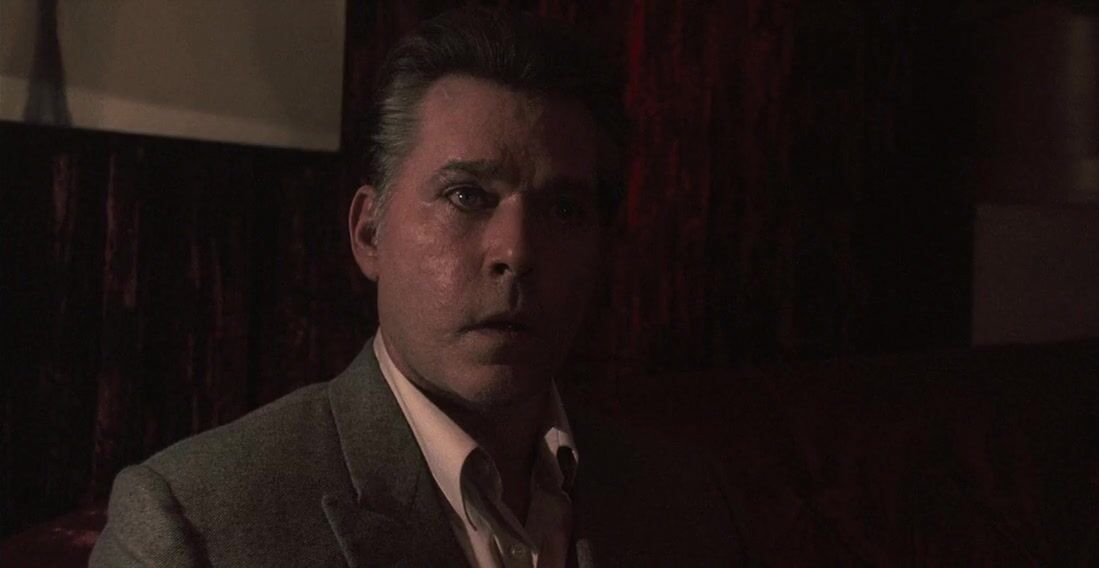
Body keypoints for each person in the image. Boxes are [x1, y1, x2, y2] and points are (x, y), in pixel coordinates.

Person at [90, 7, 743, 567]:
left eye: (563, 209)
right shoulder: (196, 524)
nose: (516, 252)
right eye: (466, 195)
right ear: (369, 233)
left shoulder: (686, 501)